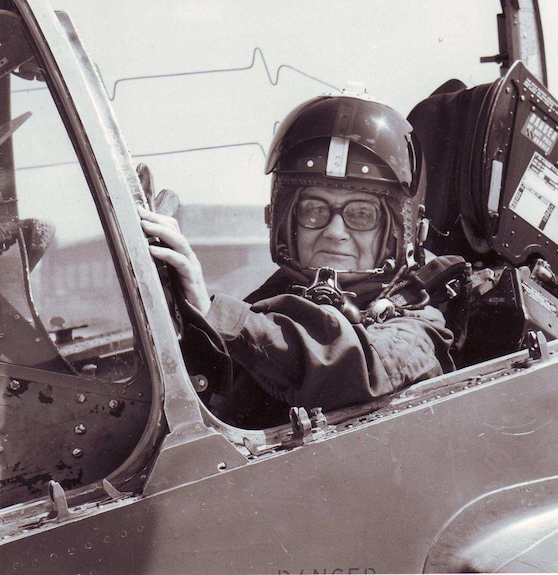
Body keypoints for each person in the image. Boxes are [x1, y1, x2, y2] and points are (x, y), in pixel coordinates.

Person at [139, 93, 458, 428]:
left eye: (361, 215)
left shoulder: (420, 327)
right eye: (314, 210)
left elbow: (353, 367)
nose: (335, 231)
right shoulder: (276, 299)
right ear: (287, 221)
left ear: (396, 233)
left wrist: (212, 312)